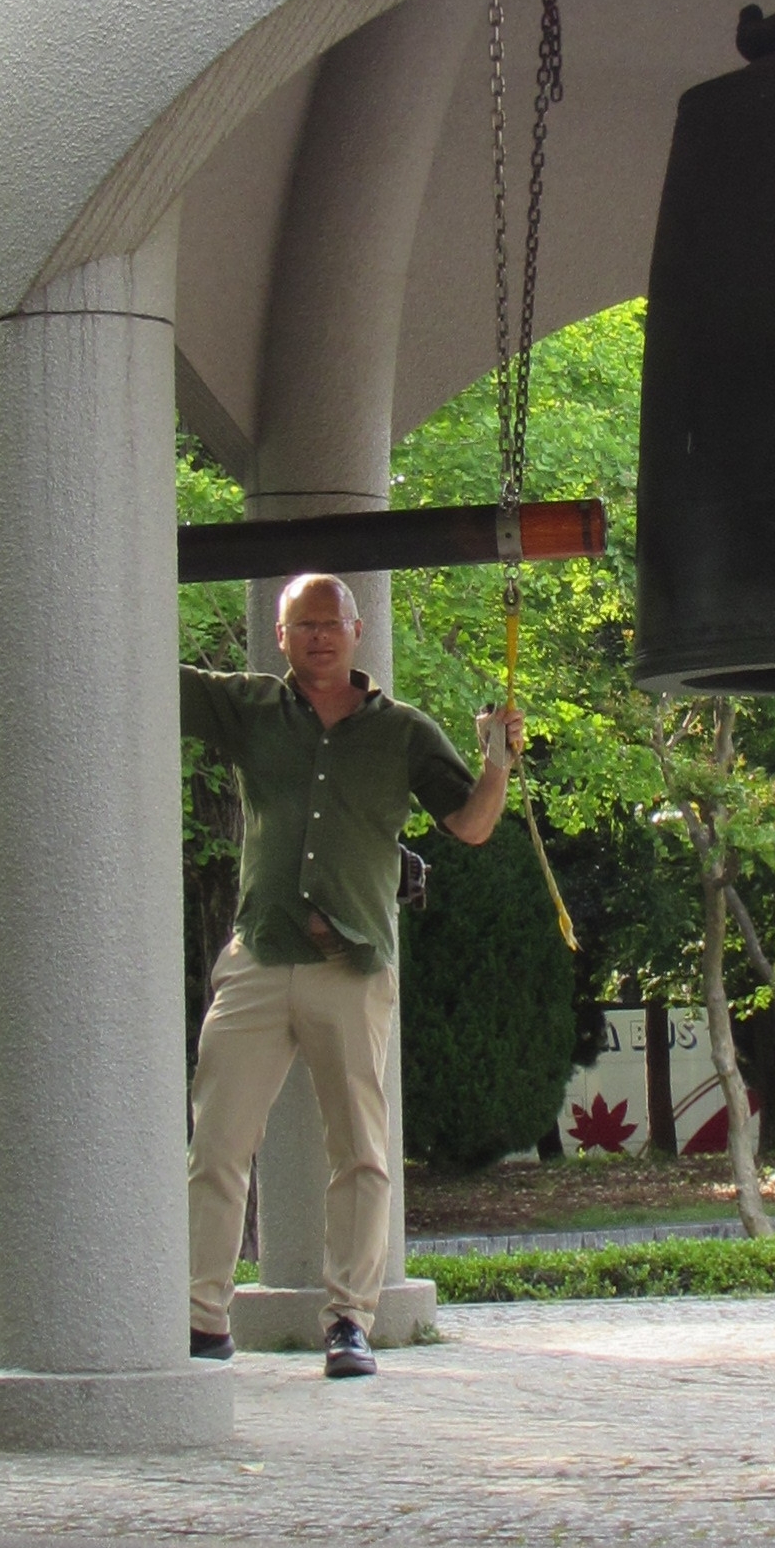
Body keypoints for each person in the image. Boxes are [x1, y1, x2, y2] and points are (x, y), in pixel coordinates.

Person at [179, 573, 520, 1378]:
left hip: (353, 964)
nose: (320, 637)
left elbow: (470, 825)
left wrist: (496, 761)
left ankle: (349, 1323)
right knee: (217, 1145)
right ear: (281, 635)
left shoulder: (401, 731)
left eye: (333, 622)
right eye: (305, 624)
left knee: (362, 1154)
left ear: (358, 632)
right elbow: (146, 675)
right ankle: (200, 1321)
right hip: (260, 958)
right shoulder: (250, 708)